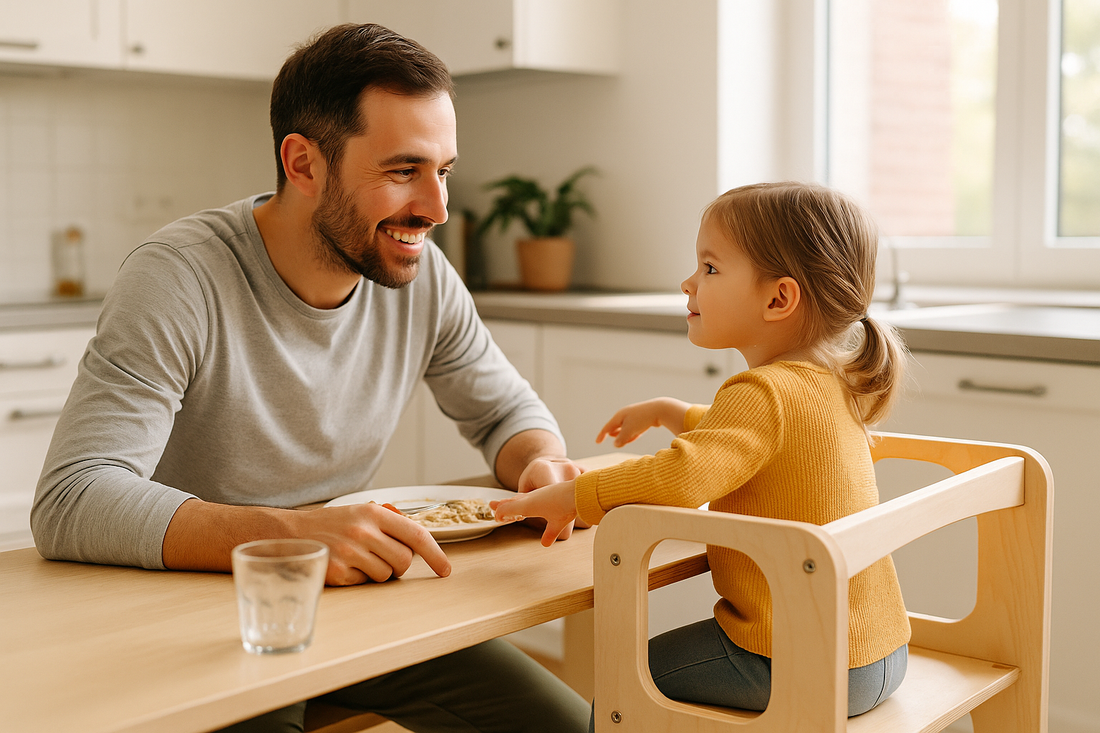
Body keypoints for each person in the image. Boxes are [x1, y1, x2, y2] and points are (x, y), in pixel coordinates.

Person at [31, 23, 589, 733]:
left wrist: (540, 463)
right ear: (303, 164)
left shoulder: (419, 275)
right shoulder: (179, 276)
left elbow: (504, 410)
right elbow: (74, 497)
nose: (437, 208)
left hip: (356, 593)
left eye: (443, 170)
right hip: (200, 611)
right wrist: (299, 536)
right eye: (402, 170)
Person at [492, 181, 912, 721]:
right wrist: (676, 412)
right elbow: (752, 444)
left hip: (793, 658)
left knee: (624, 689)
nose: (688, 282)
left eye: (710, 268)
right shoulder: (825, 382)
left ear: (778, 298)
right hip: (879, 653)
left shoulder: (762, 391)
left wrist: (575, 495)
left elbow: (682, 479)